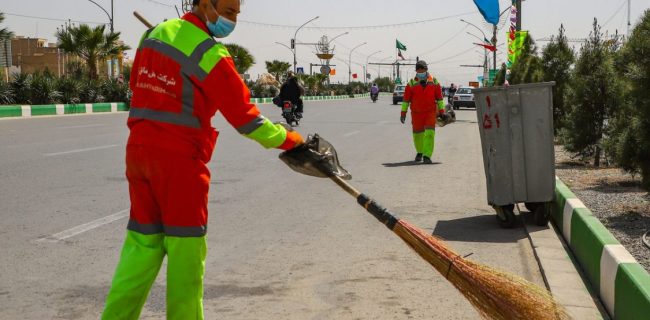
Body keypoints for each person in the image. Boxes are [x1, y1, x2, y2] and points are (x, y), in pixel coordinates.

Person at [101, 0, 304, 319]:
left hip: (138, 154)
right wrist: (290, 139)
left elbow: (137, 86)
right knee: (186, 258)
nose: (233, 19)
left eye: (236, 13)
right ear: (204, 5)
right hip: (179, 163)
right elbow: (245, 118)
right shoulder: (210, 53)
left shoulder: (153, 34)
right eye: (227, 11)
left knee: (141, 248)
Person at [399, 60, 445, 164]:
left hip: (430, 113)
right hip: (416, 113)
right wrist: (403, 113)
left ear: (426, 69)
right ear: (416, 71)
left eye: (422, 70)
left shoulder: (435, 82)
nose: (420, 72)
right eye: (418, 70)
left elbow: (439, 98)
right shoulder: (411, 83)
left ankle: (427, 155)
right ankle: (420, 152)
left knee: (429, 133)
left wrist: (442, 111)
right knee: (417, 135)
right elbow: (406, 100)